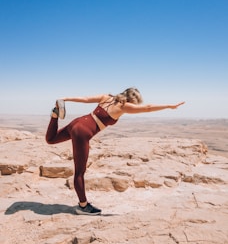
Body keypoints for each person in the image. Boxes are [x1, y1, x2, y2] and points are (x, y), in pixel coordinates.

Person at [45, 87, 185, 216]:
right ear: (132, 99)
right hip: (82, 132)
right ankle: (83, 206)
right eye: (136, 102)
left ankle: (54, 115)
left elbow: (85, 99)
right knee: (79, 173)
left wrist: (66, 99)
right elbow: (147, 108)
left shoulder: (106, 97)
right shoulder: (124, 106)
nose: (136, 105)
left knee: (51, 139)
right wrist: (169, 106)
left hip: (78, 122)